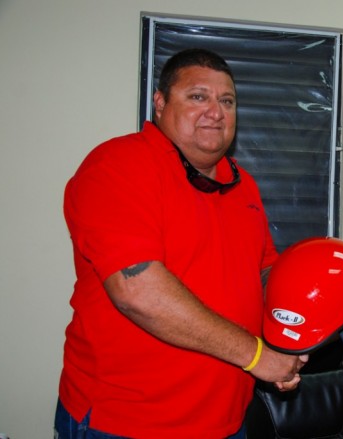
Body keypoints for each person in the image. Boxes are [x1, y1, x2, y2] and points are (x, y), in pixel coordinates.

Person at [55, 48, 307, 439]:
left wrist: (297, 328)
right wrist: (258, 356)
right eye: (197, 97)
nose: (216, 111)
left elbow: (262, 274)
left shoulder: (243, 184)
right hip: (126, 424)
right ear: (160, 103)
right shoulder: (118, 165)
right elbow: (138, 292)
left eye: (227, 101)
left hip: (226, 421)